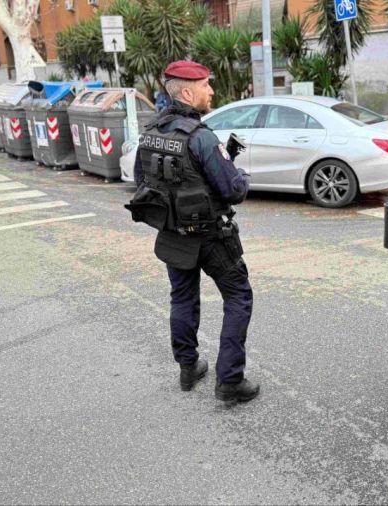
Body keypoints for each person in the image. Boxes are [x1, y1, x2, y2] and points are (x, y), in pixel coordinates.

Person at [127, 60, 259, 403]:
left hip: (173, 233)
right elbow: (232, 190)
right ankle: (229, 381)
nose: (211, 91)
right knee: (239, 297)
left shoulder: (151, 132)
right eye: (205, 85)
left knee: (182, 298)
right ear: (187, 92)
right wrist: (239, 174)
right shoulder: (201, 138)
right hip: (211, 236)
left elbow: (142, 183)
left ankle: (188, 368)